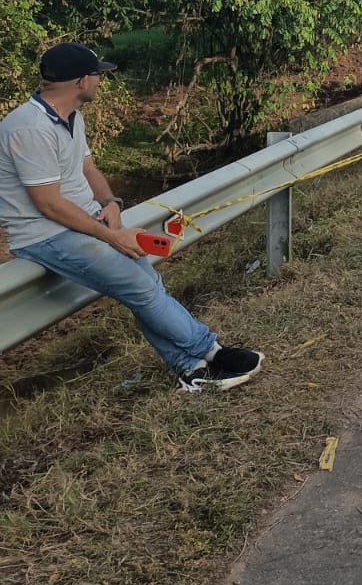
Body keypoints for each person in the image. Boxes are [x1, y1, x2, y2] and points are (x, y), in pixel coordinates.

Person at [0, 43, 263, 392]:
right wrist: (112, 236)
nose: (101, 81)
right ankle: (211, 352)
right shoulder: (28, 128)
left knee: (147, 287)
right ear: (81, 80)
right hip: (47, 234)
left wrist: (110, 203)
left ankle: (190, 370)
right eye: (98, 75)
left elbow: (86, 167)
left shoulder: (69, 116)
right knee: (141, 287)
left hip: (84, 220)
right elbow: (48, 204)